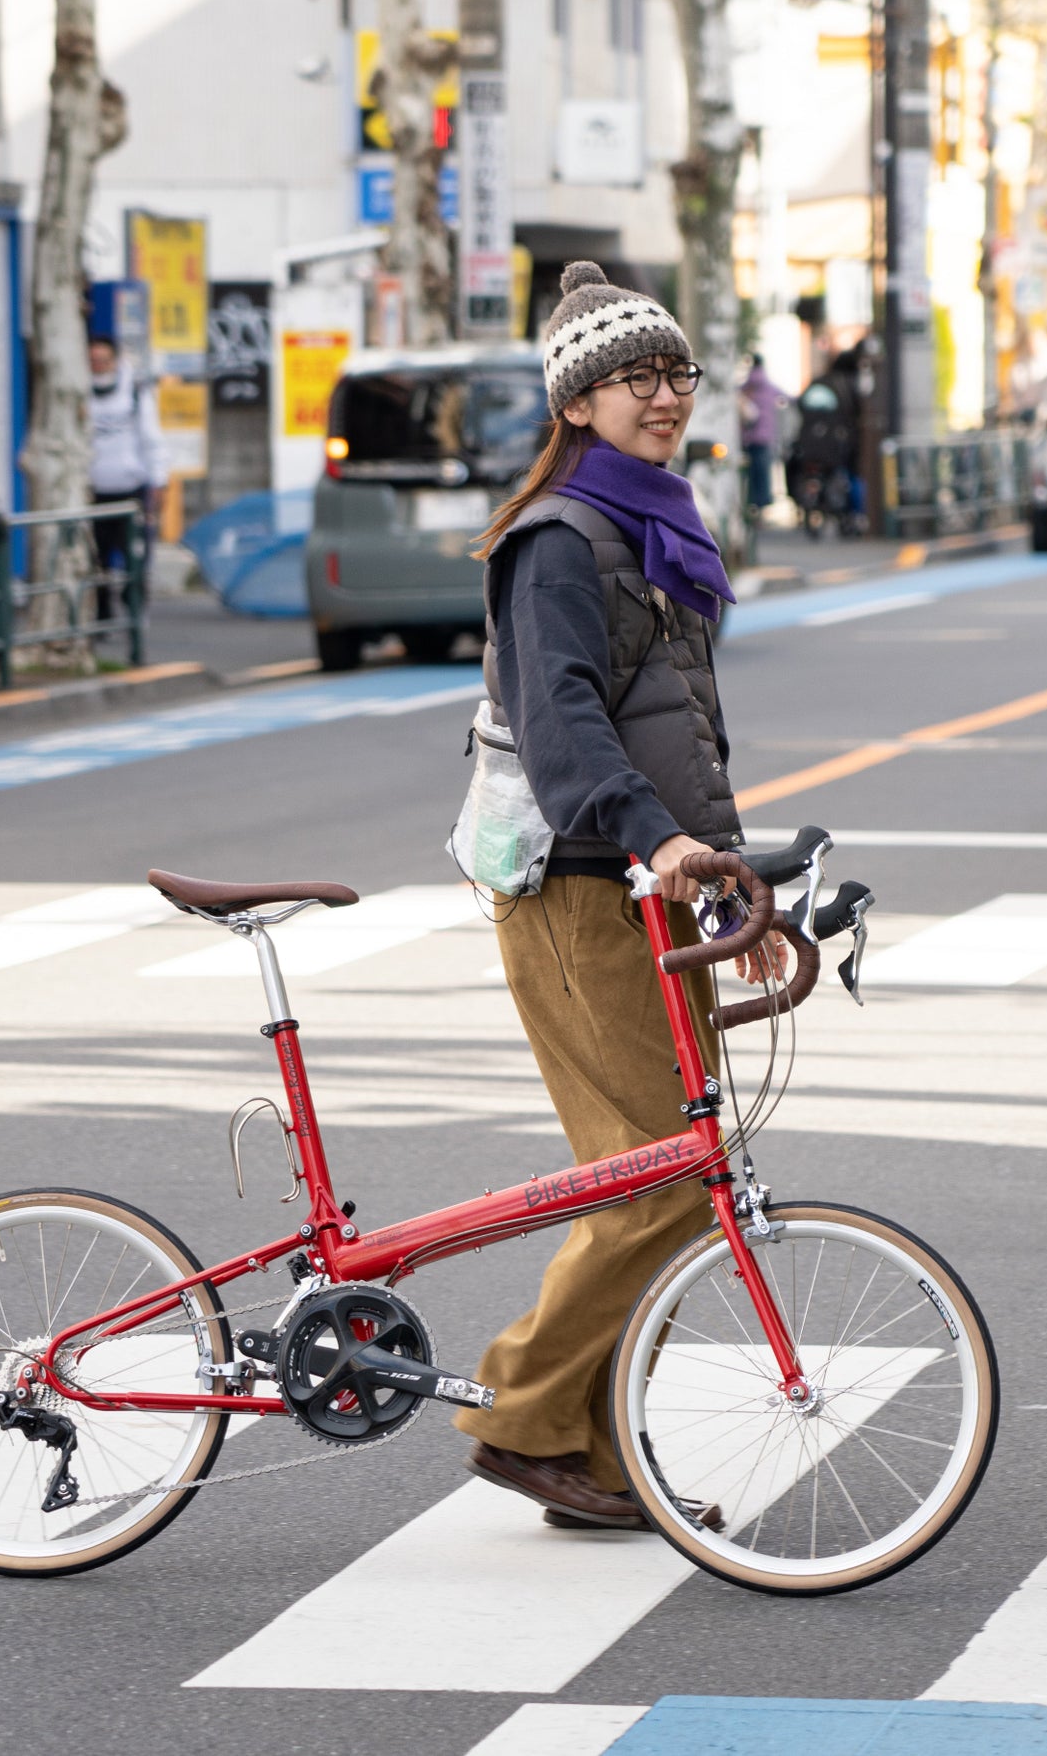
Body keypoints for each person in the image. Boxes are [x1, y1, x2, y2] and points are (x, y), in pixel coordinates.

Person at [452, 260, 784, 1531]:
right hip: (572, 886)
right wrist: (659, 847)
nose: (663, 397)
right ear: (576, 402)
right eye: (632, 378)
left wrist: (732, 884)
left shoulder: (656, 524)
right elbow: (566, 731)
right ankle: (522, 1412)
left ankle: (583, 1445)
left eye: (676, 372)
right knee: (654, 1178)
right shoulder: (558, 541)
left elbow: (678, 735)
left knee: (656, 1177)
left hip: (641, 884)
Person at [87, 336, 168, 619]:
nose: (98, 366)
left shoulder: (134, 391)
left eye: (103, 360)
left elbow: (151, 440)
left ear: (115, 360)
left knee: (135, 556)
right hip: (91, 490)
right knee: (95, 559)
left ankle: (134, 612)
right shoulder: (76, 392)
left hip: (129, 489)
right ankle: (102, 614)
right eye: (93, 361)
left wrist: (158, 481)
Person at [738, 352, 787, 511]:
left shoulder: (745, 386)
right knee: (764, 473)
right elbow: (789, 399)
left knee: (749, 474)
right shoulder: (769, 386)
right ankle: (762, 505)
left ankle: (750, 506)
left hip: (746, 437)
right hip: (765, 437)